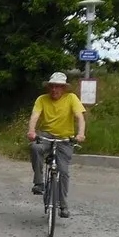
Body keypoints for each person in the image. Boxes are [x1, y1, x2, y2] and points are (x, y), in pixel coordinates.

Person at [27, 72, 86, 218]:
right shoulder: (42, 99)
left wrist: (80, 134)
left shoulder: (71, 98)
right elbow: (35, 116)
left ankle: (63, 205)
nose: (54, 89)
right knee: (35, 147)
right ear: (49, 87)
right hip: (46, 136)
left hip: (65, 139)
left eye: (58, 86)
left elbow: (80, 117)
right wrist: (31, 131)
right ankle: (39, 183)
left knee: (63, 171)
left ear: (64, 88)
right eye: (52, 86)